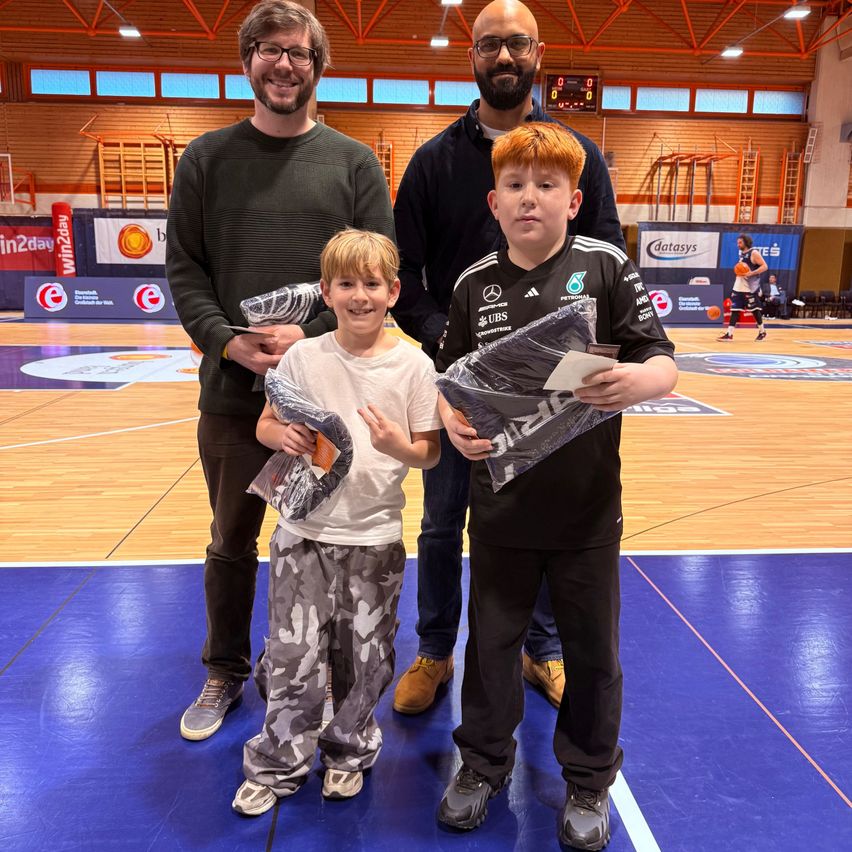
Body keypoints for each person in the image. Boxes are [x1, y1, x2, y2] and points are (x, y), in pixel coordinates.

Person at [434, 123, 677, 850]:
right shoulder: (473, 285)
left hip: (586, 514)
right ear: (494, 201)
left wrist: (636, 382)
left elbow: (662, 360)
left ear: (574, 200)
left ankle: (589, 778)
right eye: (515, 185)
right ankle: (482, 765)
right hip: (501, 510)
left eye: (546, 186)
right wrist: (452, 426)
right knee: (491, 649)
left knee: (593, 654)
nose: (529, 197)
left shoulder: (604, 265)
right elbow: (447, 381)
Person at [166, 0, 394, 742]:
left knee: (330, 546)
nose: (284, 63)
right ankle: (224, 668)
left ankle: (319, 676)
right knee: (231, 540)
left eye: (298, 51)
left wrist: (312, 335)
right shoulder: (206, 159)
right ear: (247, 61)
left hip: (333, 400)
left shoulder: (353, 163)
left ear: (317, 65)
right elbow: (185, 270)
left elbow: (377, 271)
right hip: (235, 398)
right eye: (268, 48)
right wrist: (225, 344)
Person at [391, 0, 624, 714]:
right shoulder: (434, 162)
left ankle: (541, 649)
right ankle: (435, 651)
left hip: (556, 390)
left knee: (545, 524)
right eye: (490, 44)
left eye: (517, 44)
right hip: (460, 388)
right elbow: (406, 276)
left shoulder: (577, 154)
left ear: (537, 55)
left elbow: (610, 260)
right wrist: (453, 345)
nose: (503, 56)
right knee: (441, 523)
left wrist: (574, 359)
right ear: (472, 56)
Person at [232, 229, 441, 816]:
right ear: (326, 292)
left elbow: (429, 453)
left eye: (371, 284)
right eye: (346, 284)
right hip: (303, 534)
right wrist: (282, 434)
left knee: (365, 660)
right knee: (293, 656)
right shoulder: (304, 357)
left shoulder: (415, 365)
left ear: (393, 292)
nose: (359, 296)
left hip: (375, 539)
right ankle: (278, 762)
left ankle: (348, 752)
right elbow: (265, 424)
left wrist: (398, 445)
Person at [718, 233, 768, 341]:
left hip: (749, 288)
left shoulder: (754, 253)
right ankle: (729, 334)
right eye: (737, 243)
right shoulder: (742, 254)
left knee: (755, 310)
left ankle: (762, 332)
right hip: (738, 286)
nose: (738, 245)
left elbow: (765, 266)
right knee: (735, 310)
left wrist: (752, 273)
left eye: (740, 242)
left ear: (746, 242)